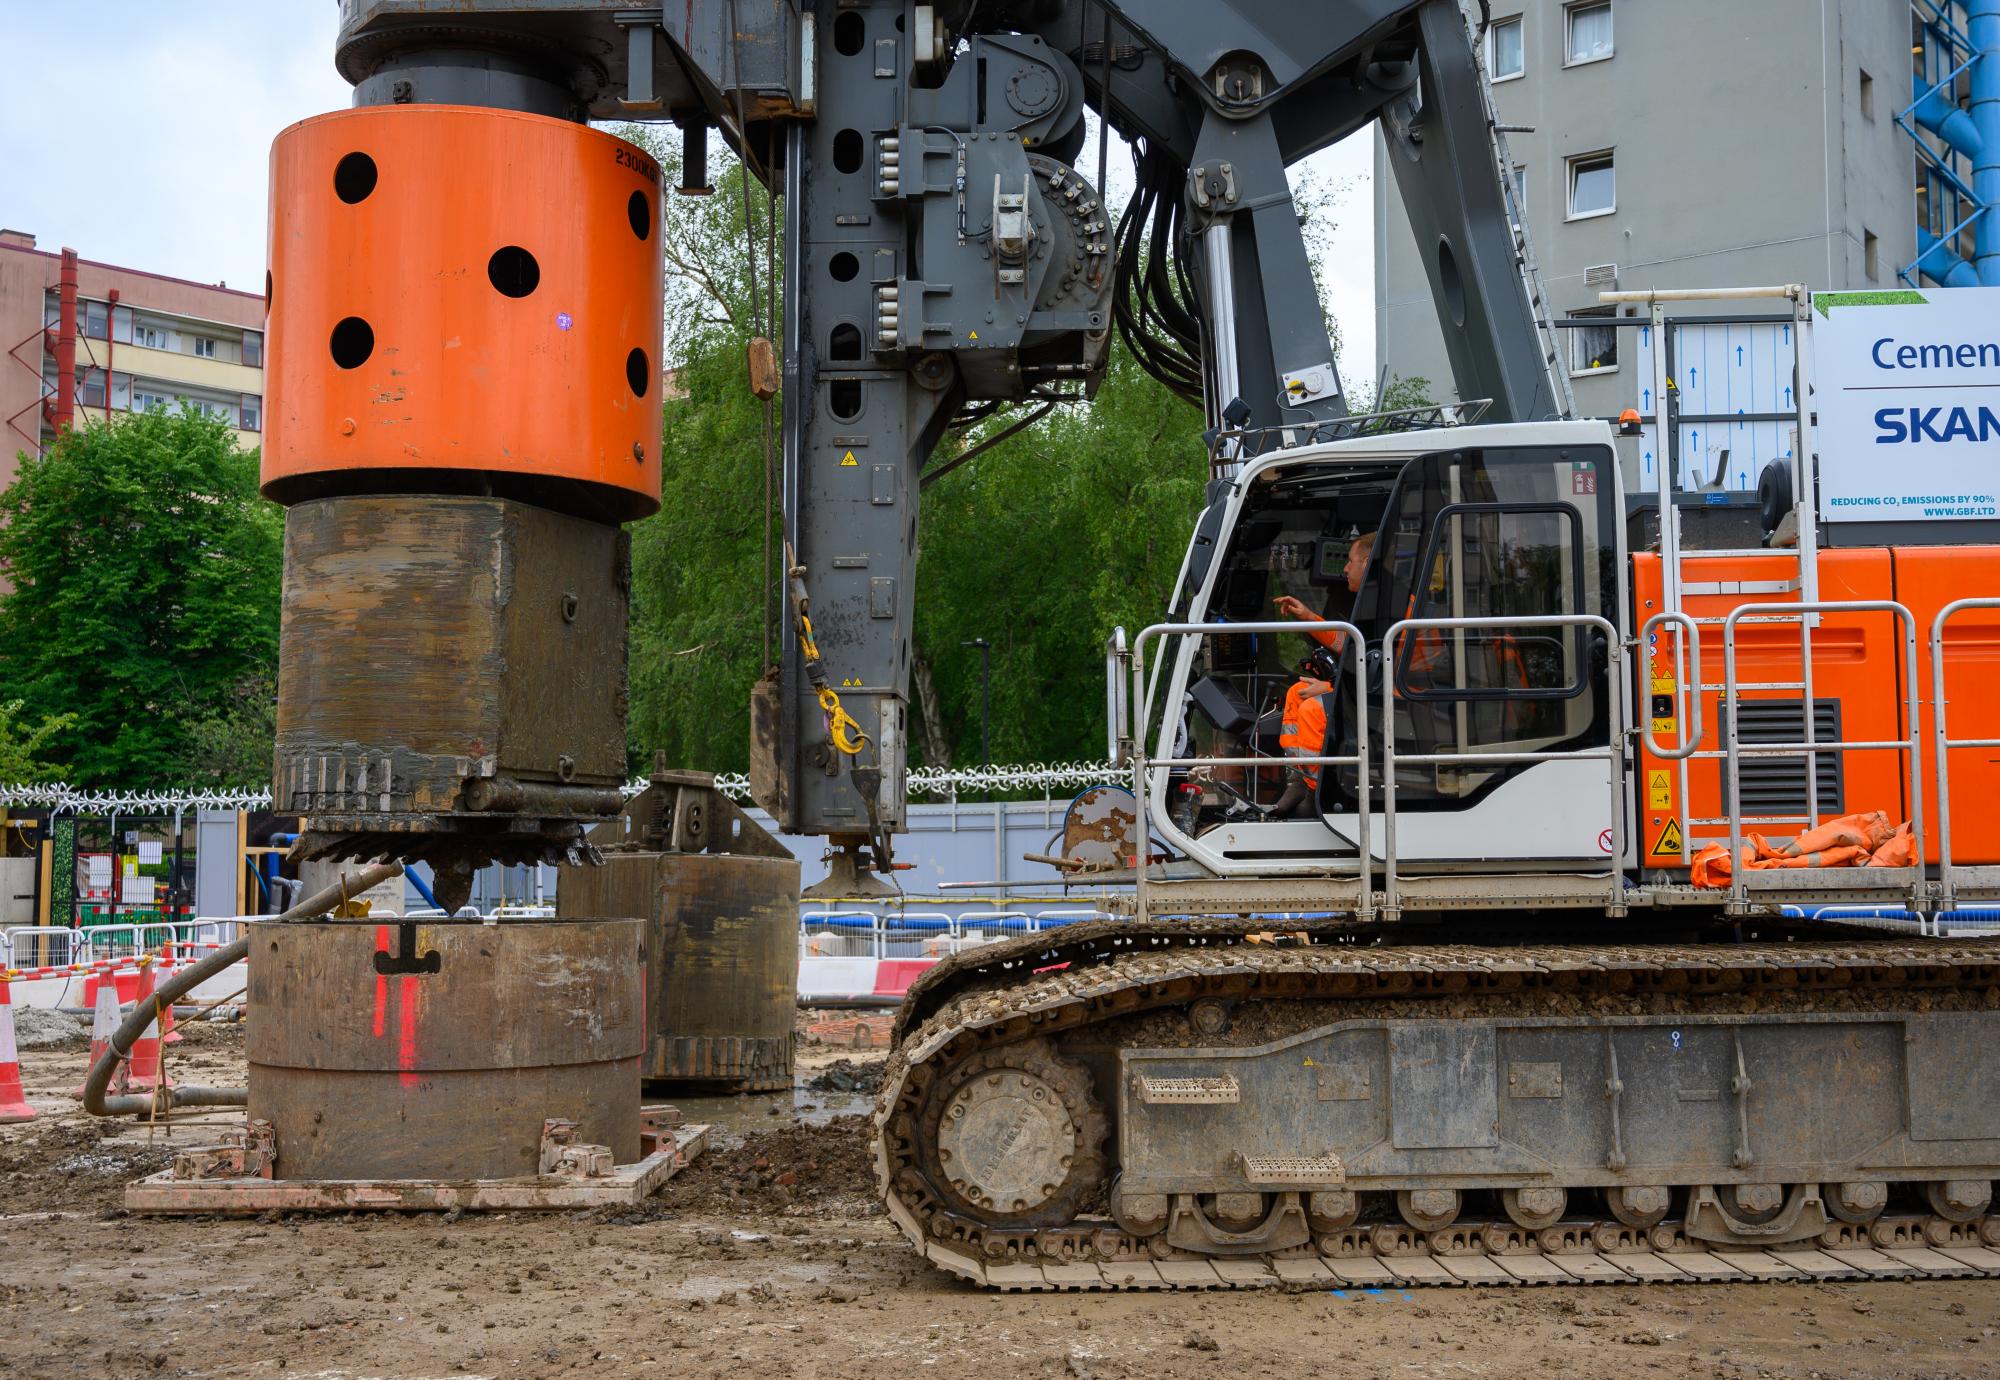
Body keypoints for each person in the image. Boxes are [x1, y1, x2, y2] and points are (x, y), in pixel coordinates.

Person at [1272, 529, 1373, 650]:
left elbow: (1354, 649)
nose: (1345, 569)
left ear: (1366, 564)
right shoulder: (1372, 601)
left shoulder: (1377, 608)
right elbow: (1347, 645)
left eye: (1350, 561)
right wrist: (1307, 616)